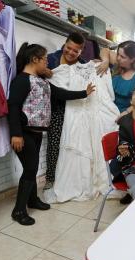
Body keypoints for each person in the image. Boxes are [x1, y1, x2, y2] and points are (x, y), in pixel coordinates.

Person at [8, 42, 95, 225]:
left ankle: (32, 200)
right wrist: (16, 134)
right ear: (35, 60)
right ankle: (18, 210)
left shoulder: (42, 81)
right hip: (24, 133)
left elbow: (60, 93)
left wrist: (83, 93)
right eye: (45, 59)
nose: (47, 63)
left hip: (37, 132)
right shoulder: (22, 80)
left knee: (30, 168)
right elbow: (13, 107)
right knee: (31, 169)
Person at [44, 32, 109, 189]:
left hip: (75, 106)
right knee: (54, 142)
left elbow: (107, 52)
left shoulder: (82, 65)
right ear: (64, 44)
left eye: (76, 50)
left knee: (74, 142)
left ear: (81, 51)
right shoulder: (51, 59)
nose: (71, 52)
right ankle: (51, 178)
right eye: (69, 48)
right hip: (56, 107)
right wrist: (43, 72)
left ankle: (72, 177)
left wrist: (104, 61)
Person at [100, 41, 135, 113]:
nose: (118, 58)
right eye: (118, 54)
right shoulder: (119, 62)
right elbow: (105, 50)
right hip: (109, 110)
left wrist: (126, 113)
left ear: (133, 59)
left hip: (129, 113)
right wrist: (105, 61)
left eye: (122, 57)